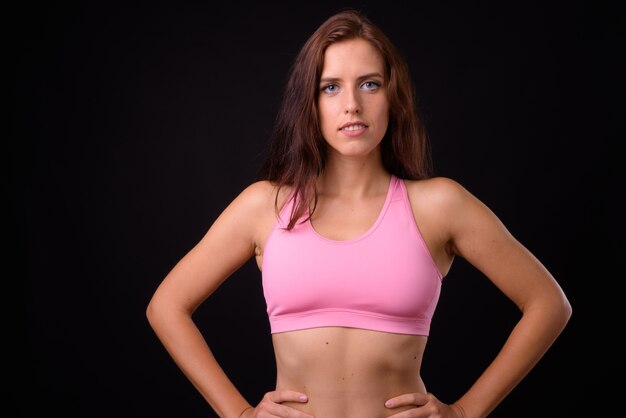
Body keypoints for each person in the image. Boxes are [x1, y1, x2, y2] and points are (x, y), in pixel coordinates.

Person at [146, 8, 572, 418]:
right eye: (330, 87)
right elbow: (166, 306)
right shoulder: (266, 207)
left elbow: (549, 304)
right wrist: (237, 412)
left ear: (393, 96)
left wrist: (464, 411)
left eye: (369, 84)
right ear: (309, 103)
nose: (351, 104)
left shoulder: (440, 205)